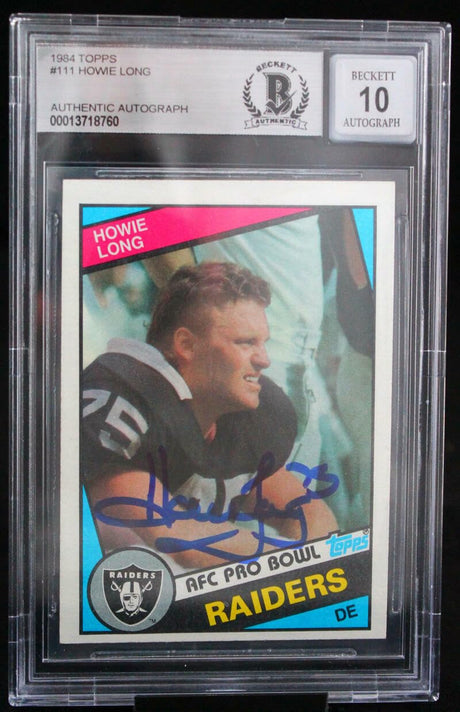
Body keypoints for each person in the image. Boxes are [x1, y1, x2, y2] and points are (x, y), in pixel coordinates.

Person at [82, 262, 338, 571]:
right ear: (186, 345)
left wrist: (305, 560)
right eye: (246, 342)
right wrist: (292, 558)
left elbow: (308, 512)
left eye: (263, 343)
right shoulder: (124, 399)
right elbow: (176, 539)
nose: (264, 360)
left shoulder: (237, 419)